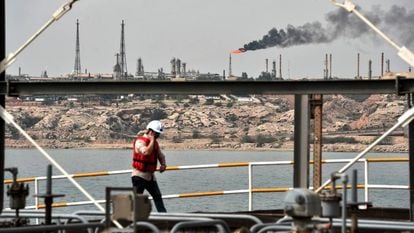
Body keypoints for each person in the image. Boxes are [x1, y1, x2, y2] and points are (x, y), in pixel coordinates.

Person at [131, 120, 167, 212]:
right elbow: (146, 152)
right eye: (157, 133)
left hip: (150, 176)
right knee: (137, 200)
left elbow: (160, 155)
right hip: (139, 176)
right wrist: (152, 140)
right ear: (151, 131)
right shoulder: (140, 141)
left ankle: (164, 217)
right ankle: (132, 220)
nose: (158, 136)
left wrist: (163, 164)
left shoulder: (154, 143)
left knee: (157, 196)